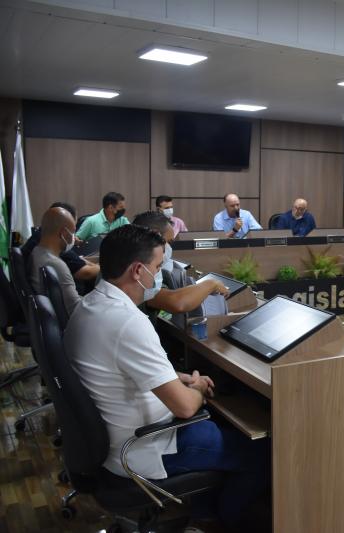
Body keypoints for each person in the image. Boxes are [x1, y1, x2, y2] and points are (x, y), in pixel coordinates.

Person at [64, 224, 268, 527]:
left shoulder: (89, 307)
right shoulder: (128, 322)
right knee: (262, 453)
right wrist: (198, 387)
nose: (159, 275)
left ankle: (202, 512)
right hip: (147, 446)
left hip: (114, 439)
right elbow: (185, 407)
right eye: (158, 267)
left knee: (223, 424)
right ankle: (219, 522)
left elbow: (120, 368)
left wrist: (177, 378)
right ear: (138, 271)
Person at [132, 211, 229, 313]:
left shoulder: (141, 265)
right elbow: (176, 302)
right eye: (169, 242)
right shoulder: (140, 273)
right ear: (156, 236)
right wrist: (211, 284)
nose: (169, 248)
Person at [22, 202, 100, 283]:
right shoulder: (54, 246)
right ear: (64, 230)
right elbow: (86, 273)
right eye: (72, 230)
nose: (73, 235)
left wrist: (95, 264)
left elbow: (76, 261)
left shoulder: (40, 238)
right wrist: (106, 267)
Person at [28, 207, 82, 316]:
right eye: (73, 232)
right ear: (63, 233)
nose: (74, 238)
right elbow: (76, 309)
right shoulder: (56, 265)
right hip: (72, 322)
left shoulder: (36, 252)